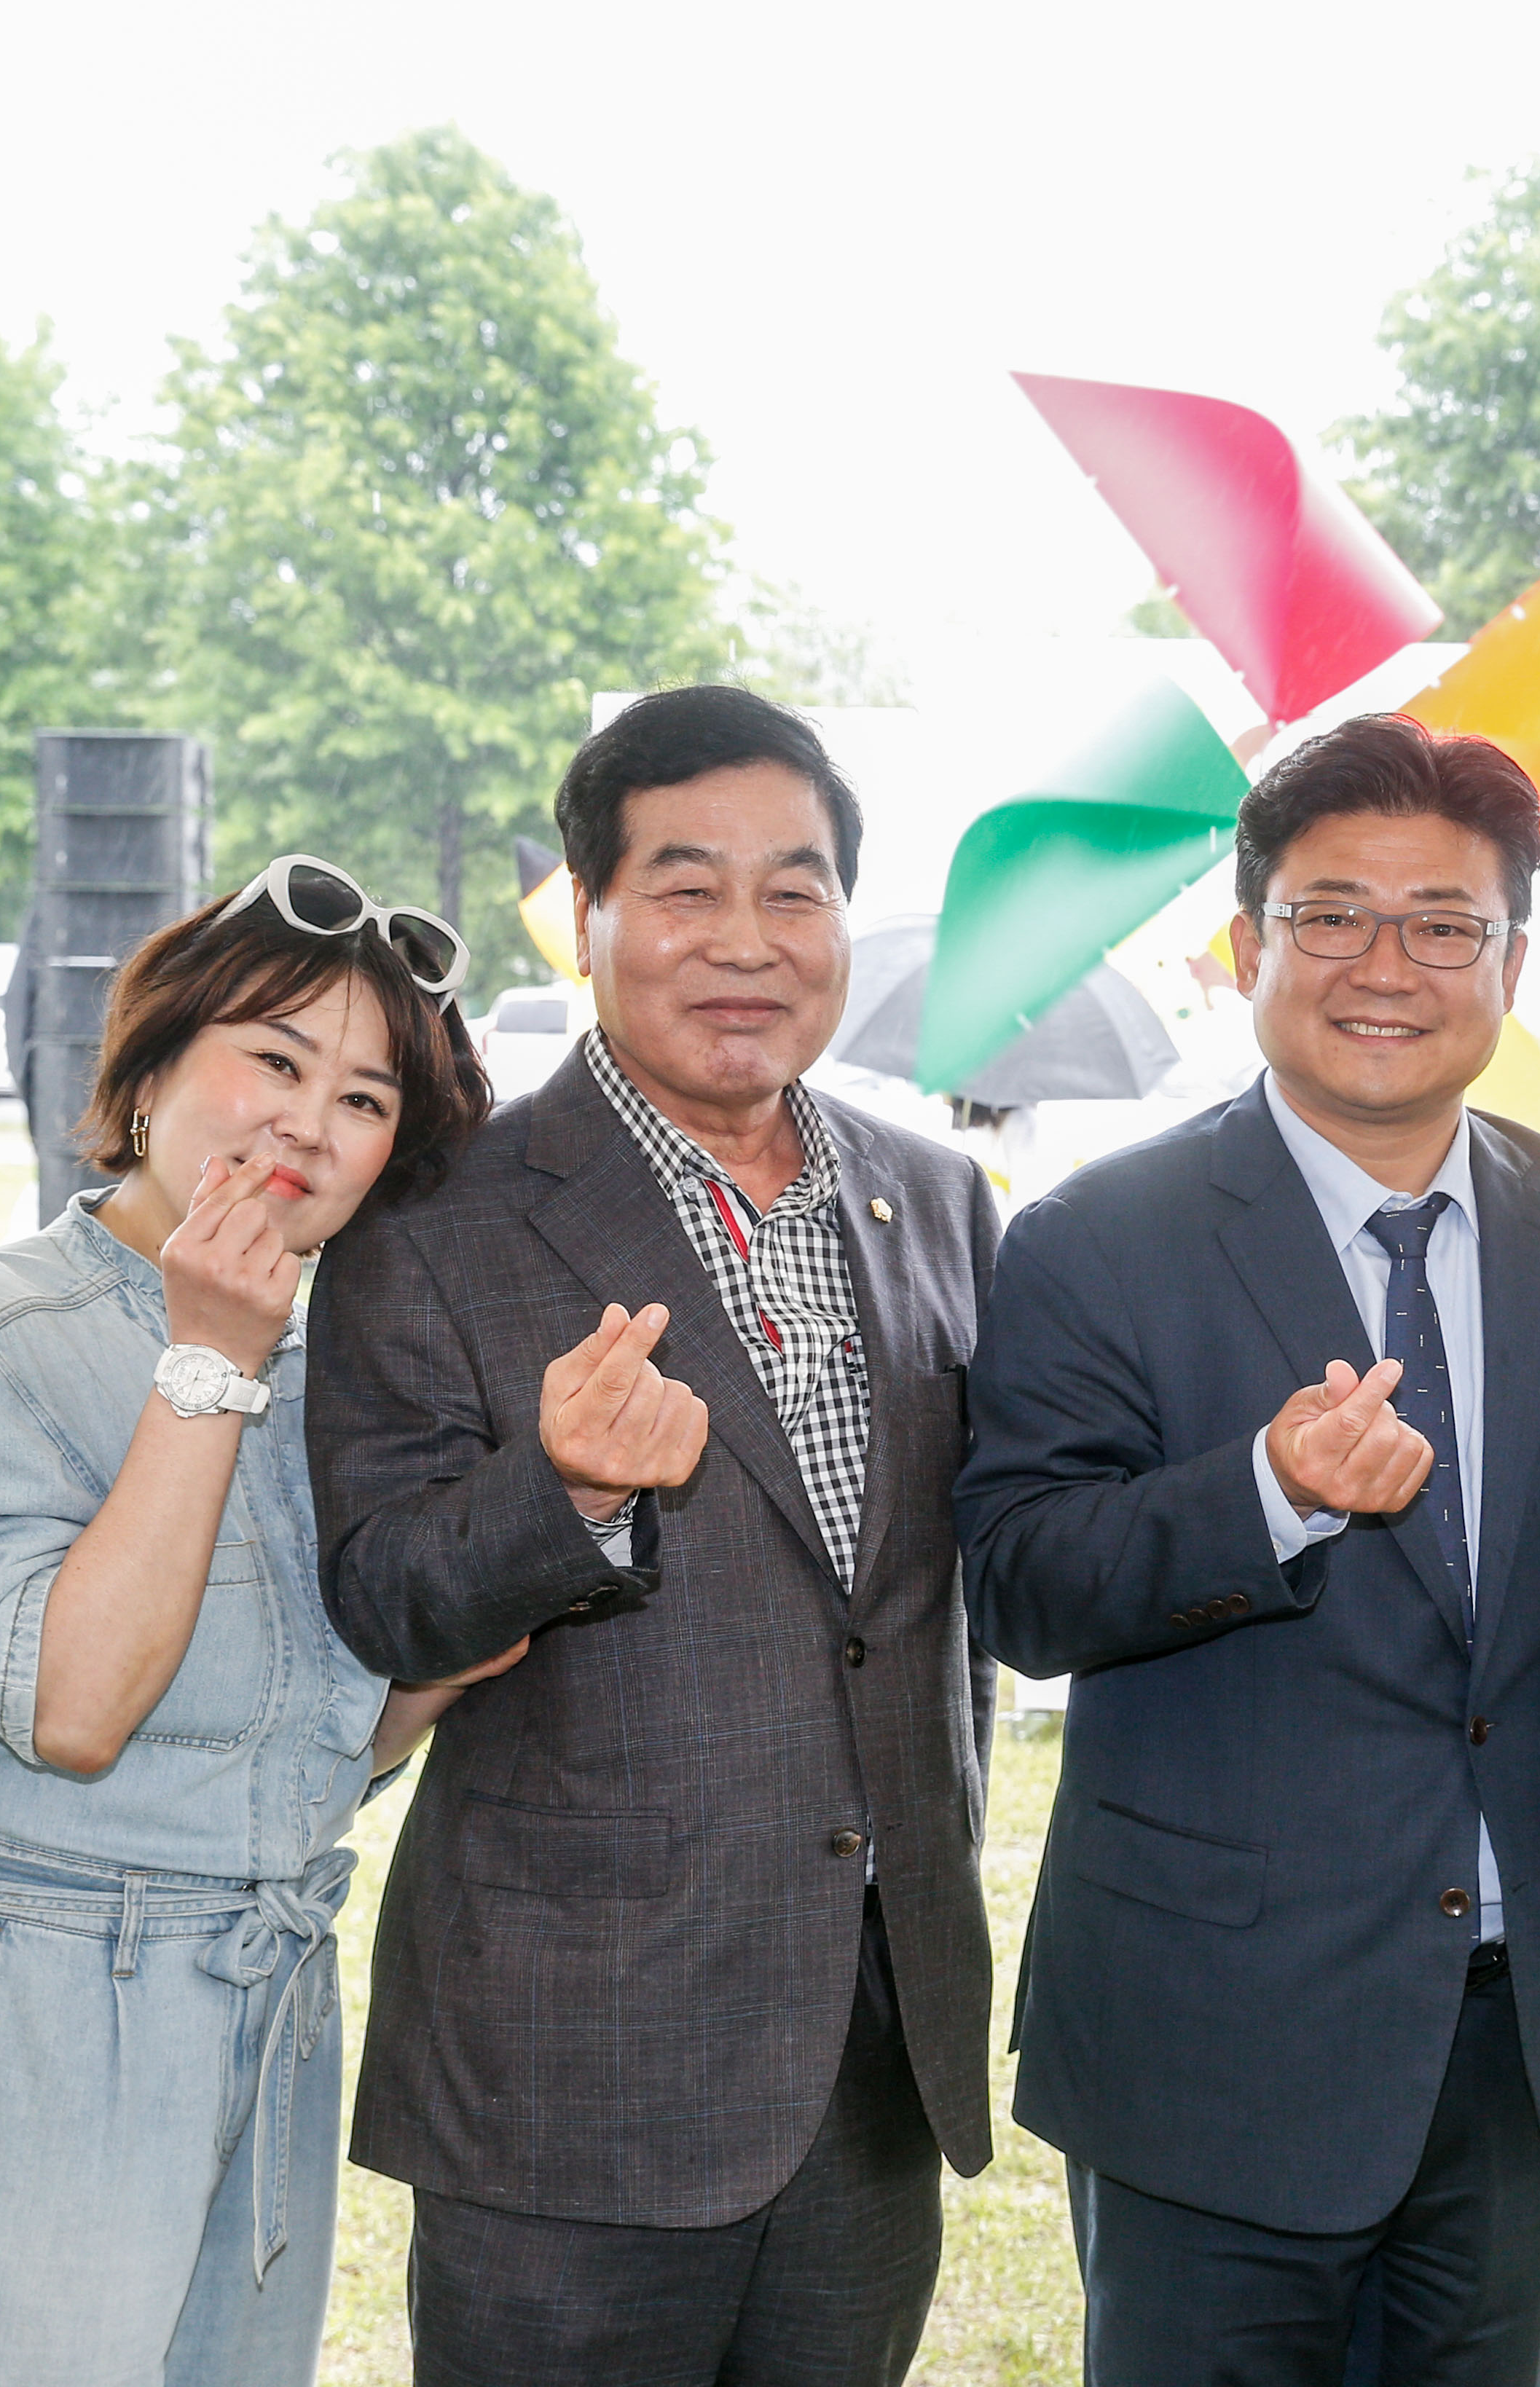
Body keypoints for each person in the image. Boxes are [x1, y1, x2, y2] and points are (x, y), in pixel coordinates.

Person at [956, 713, 1540, 2387]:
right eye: (1331, 914)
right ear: (1248, 948)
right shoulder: (1100, 1236)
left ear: (1512, 961)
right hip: (1215, 2025)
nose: (1385, 966)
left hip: (1516, 2019)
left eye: (1442, 923)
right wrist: (1267, 1492)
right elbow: (1020, 1583)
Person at [313, 687, 1001, 2387]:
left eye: (794, 890)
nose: (745, 941)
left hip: (867, 2059)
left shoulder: (938, 1201)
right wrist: (566, 1491)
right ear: (588, 910)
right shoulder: (438, 1216)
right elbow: (383, 1600)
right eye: (686, 888)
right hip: (572, 2073)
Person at [0, 854, 505, 2383]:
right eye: (275, 1060)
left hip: (265, 1992)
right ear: (145, 1075)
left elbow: (297, 1749)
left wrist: (443, 1664)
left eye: (365, 1099)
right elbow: (77, 1709)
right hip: (26, 1996)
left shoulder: (352, 1374)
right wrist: (208, 1360)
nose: (308, 1124)